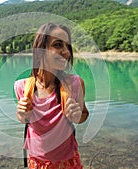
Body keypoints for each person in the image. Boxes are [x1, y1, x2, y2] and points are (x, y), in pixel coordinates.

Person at [14, 23, 89, 169]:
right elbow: (25, 119)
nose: (66, 52)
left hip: (68, 162)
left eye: (67, 46)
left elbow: (84, 115)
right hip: (36, 162)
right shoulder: (22, 87)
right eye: (58, 45)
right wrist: (21, 115)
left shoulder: (75, 84)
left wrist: (77, 115)